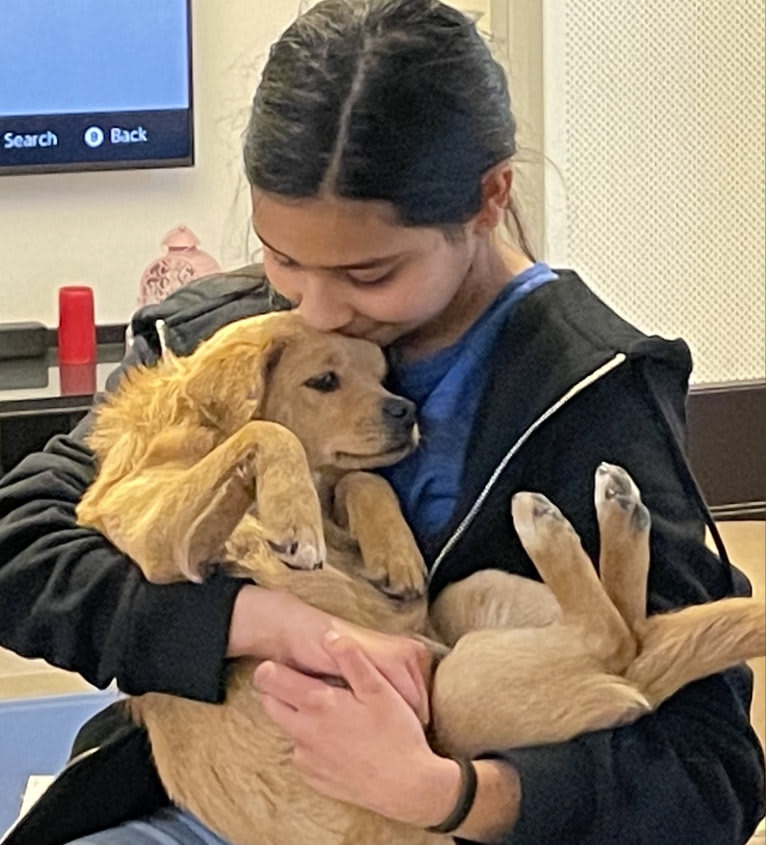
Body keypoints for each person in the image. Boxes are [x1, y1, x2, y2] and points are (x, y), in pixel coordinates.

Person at [0, 1, 763, 843]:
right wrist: (261, 621)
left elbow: (709, 774)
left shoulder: (590, 393)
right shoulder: (221, 338)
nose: (317, 307)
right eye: (282, 257)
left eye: (370, 272)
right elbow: (21, 543)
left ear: (490, 197)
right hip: (203, 798)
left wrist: (451, 791)